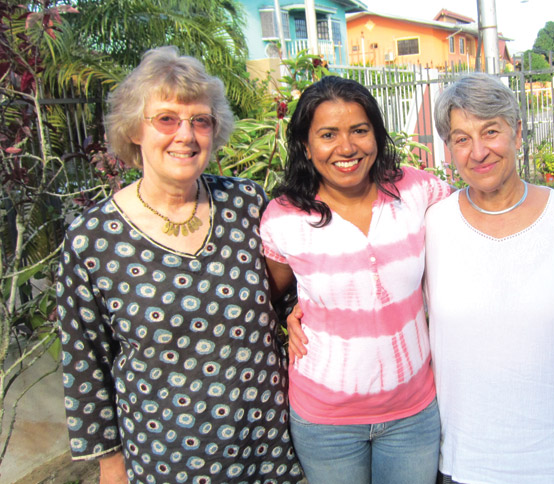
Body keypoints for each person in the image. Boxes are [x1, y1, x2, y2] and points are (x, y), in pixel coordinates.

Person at [56, 46, 304, 484]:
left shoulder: (246, 204)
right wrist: (111, 465)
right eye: (166, 119)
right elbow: (85, 363)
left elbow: (286, 290)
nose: (185, 135)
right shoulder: (92, 239)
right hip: (167, 459)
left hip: (268, 451)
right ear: (135, 129)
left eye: (200, 120)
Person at [424, 72, 554, 484]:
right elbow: (387, 283)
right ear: (448, 149)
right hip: (468, 459)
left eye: (491, 132)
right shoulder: (434, 225)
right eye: (462, 139)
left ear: (518, 133)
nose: (478, 151)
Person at [259, 75, 451, 484]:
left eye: (359, 131)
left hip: (412, 413)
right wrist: (291, 315)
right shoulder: (284, 216)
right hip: (325, 421)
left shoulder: (418, 190)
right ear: (306, 147)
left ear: (377, 136)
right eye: (328, 134)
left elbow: (474, 221)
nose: (346, 148)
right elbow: (273, 295)